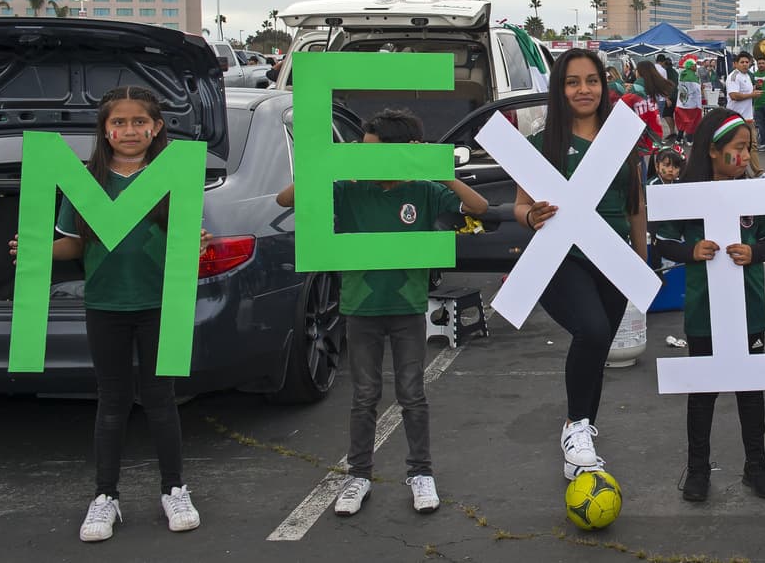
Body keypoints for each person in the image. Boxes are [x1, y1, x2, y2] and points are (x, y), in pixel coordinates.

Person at [8, 86, 210, 543]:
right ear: (104, 130)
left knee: (161, 401)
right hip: (105, 305)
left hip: (161, 305)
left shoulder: (173, 176)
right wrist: (38, 250)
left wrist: (197, 246)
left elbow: (186, 243)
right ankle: (106, 496)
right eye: (119, 122)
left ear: (156, 128)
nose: (129, 130)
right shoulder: (88, 182)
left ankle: (174, 488)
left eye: (139, 121)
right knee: (112, 403)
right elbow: (75, 245)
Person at [276, 109, 487, 517]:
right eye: (363, 151)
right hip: (361, 308)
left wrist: (434, 168)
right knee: (364, 396)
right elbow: (285, 199)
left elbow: (476, 207)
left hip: (407, 307)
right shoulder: (350, 189)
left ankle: (421, 472)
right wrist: (337, 164)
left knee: (412, 394)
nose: (367, 159)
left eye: (375, 152)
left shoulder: (424, 191)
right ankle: (359, 475)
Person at [516, 49, 648, 480]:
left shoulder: (622, 141)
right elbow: (520, 206)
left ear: (603, 86)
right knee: (590, 330)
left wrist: (642, 264)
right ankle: (574, 425)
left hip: (612, 256)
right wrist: (530, 215)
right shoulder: (541, 145)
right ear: (559, 89)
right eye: (573, 82)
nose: (584, 89)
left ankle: (583, 434)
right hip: (562, 257)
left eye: (591, 80)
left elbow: (636, 207)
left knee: (600, 345)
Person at [653, 108, 765, 502]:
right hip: (703, 311)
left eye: (748, 148)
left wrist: (754, 250)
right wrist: (691, 250)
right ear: (713, 150)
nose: (745, 156)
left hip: (750, 308)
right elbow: (662, 241)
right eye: (738, 148)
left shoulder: (754, 193)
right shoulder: (688, 195)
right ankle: (697, 470)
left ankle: (756, 467)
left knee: (751, 391)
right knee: (703, 391)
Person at [724, 52, 763, 175]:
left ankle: (758, 172)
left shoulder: (747, 76)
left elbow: (746, 96)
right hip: (735, 118)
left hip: (748, 118)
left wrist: (754, 93)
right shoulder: (734, 76)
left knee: (752, 145)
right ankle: (733, 171)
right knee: (735, 146)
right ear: (735, 64)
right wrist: (751, 95)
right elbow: (733, 95)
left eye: (747, 62)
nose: (745, 64)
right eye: (742, 62)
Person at [674, 56, 704, 141]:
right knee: (691, 122)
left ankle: (679, 139)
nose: (695, 67)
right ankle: (689, 139)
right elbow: (696, 90)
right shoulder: (693, 76)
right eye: (694, 65)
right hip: (692, 105)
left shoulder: (681, 74)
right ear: (690, 66)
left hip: (681, 103)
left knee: (682, 122)